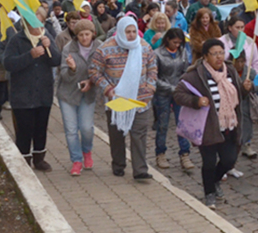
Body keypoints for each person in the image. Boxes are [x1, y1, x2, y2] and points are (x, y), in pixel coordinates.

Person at [174, 38, 245, 209]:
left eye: (221, 53)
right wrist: (196, 101)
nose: (219, 57)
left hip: (229, 126)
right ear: (206, 56)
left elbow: (238, 94)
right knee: (209, 162)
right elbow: (178, 94)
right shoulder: (195, 75)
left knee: (229, 161)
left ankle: (215, 181)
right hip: (207, 127)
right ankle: (209, 193)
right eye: (214, 54)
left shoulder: (230, 71)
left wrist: (247, 88)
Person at [88, 15, 158, 180]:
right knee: (117, 134)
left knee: (139, 134)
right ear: (120, 31)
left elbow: (152, 67)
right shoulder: (105, 48)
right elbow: (94, 71)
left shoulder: (144, 47)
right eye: (128, 32)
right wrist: (107, 89)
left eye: (134, 31)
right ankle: (118, 164)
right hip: (116, 100)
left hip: (140, 99)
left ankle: (140, 170)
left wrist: (150, 87)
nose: (132, 35)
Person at [2, 7, 62, 170]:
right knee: (24, 129)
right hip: (22, 95)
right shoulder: (17, 40)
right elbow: (8, 63)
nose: (35, 26)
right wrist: (30, 55)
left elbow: (57, 60)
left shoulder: (46, 36)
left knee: (40, 128)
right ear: (26, 23)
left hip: (43, 93)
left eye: (38, 21)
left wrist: (50, 48)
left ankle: (39, 158)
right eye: (31, 22)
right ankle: (23, 160)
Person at [56, 19, 102, 176]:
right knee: (71, 129)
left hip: (88, 94)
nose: (84, 38)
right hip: (68, 93)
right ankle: (76, 160)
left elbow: (102, 71)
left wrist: (91, 81)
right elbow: (63, 74)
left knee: (86, 128)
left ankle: (86, 151)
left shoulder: (99, 47)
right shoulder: (69, 49)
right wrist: (72, 70)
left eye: (87, 34)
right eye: (81, 35)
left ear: (93, 34)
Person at [152, 27, 194, 170]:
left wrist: (183, 85)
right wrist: (171, 88)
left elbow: (185, 70)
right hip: (163, 93)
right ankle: (160, 152)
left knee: (181, 123)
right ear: (167, 40)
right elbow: (154, 78)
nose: (177, 45)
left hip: (179, 92)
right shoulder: (158, 54)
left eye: (179, 43)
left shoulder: (182, 53)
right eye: (174, 42)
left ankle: (184, 153)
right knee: (162, 125)